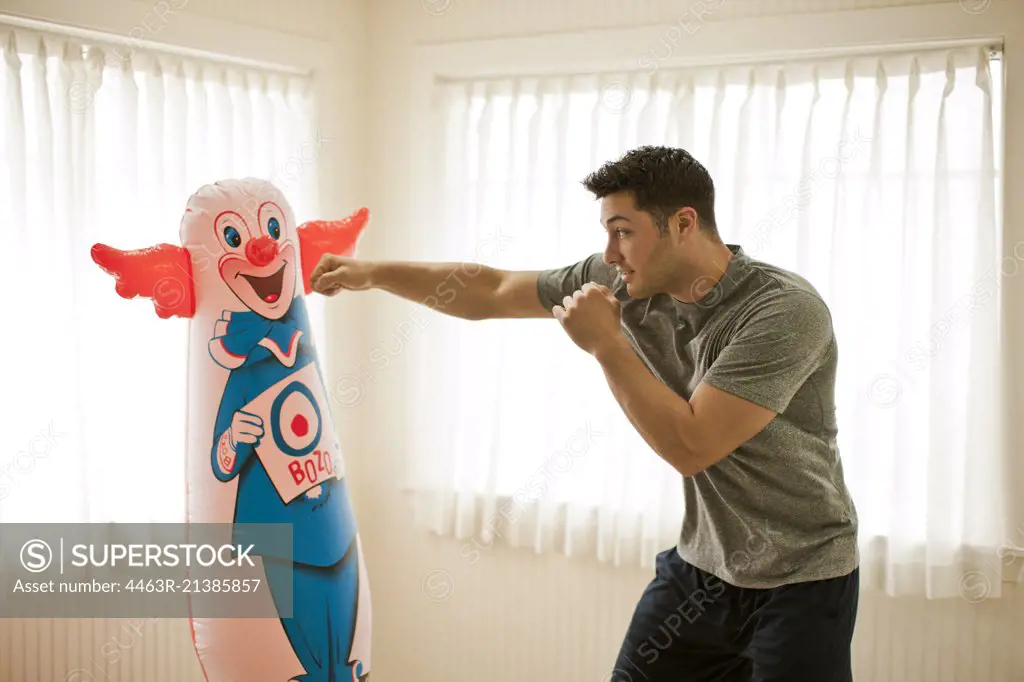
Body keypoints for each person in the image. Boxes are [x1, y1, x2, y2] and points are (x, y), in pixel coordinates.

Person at [310, 145, 859, 682]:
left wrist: (606, 345)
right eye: (608, 233)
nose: (612, 251)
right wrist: (375, 273)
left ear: (684, 224)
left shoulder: (782, 311)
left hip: (802, 578)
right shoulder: (624, 279)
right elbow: (495, 290)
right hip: (703, 569)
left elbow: (694, 445)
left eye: (624, 230)